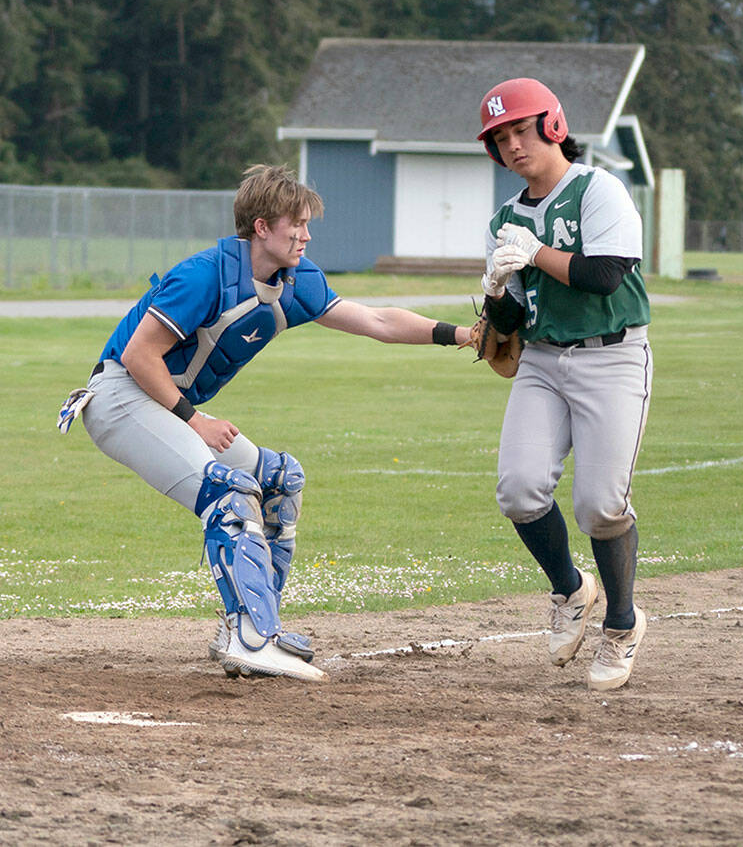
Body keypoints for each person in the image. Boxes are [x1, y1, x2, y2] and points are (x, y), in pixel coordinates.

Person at [57, 164, 470, 682]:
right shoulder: (205, 274)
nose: (306, 234)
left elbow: (377, 321)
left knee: (280, 479)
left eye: (307, 224)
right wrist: (196, 421)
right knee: (227, 495)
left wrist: (461, 335)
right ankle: (252, 638)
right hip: (120, 397)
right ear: (260, 227)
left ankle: (257, 628)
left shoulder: (296, 282)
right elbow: (140, 356)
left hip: (161, 402)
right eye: (295, 223)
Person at [474, 78, 653, 691]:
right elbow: (510, 323)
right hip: (544, 361)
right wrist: (497, 290)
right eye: (501, 138)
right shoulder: (504, 218)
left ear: (553, 125)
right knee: (519, 490)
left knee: (600, 506)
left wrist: (534, 251)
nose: (514, 145)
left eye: (522, 129)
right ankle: (572, 590)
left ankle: (623, 624)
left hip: (613, 357)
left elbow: (604, 275)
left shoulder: (599, 189)